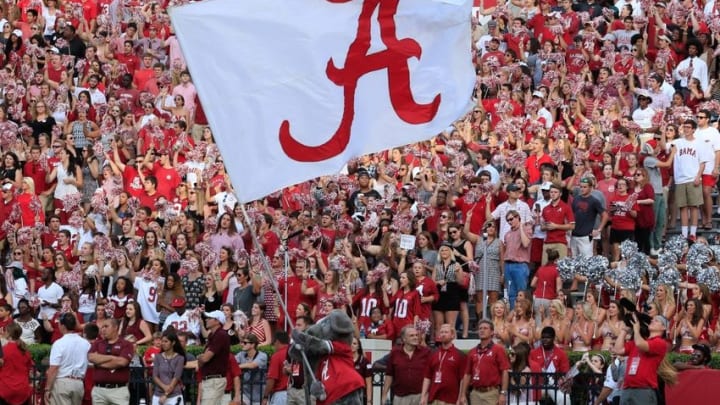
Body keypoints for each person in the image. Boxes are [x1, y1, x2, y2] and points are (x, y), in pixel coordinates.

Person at [612, 314, 677, 405]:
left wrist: (636, 329)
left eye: (656, 320)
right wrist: (624, 330)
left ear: (664, 327)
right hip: (627, 388)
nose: (652, 321)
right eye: (652, 320)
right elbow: (618, 350)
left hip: (644, 390)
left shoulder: (660, 342)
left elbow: (640, 345)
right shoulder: (637, 341)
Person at [459, 319, 510, 405]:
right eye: (480, 328)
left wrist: (503, 393)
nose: (482, 330)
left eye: (485, 328)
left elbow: (504, 371)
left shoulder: (498, 349)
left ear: (492, 332)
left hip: (491, 393)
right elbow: (467, 374)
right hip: (475, 393)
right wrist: (463, 394)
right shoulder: (472, 352)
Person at [46, 312, 91, 405]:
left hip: (62, 382)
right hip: (79, 383)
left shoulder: (59, 343)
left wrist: (47, 388)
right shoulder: (85, 343)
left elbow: (54, 368)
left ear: (62, 326)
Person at [87, 318, 135, 404]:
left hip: (118, 391)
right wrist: (113, 358)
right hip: (99, 390)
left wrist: (99, 362)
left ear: (115, 327)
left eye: (106, 326)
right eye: (102, 327)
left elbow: (122, 362)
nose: (103, 329)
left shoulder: (126, 344)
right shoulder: (97, 343)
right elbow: (90, 357)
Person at [381, 325, 432, 405]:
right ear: (404, 339)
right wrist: (384, 395)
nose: (415, 337)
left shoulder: (426, 352)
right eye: (411, 335)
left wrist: (426, 395)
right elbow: (389, 375)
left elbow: (430, 375)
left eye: (416, 335)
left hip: (420, 397)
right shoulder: (395, 353)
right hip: (400, 398)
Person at [420, 323, 467, 405]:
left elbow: (463, 379)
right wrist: (423, 396)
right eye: (441, 332)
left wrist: (460, 398)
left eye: (446, 332)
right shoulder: (433, 354)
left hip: (451, 400)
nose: (443, 334)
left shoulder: (460, 355)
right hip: (434, 399)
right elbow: (427, 377)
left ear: (452, 335)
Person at [198, 310, 231, 405]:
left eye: (209, 318)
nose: (206, 320)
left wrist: (201, 357)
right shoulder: (213, 336)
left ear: (217, 321)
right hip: (211, 381)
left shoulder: (220, 335)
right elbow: (201, 362)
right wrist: (202, 357)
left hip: (214, 381)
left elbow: (205, 358)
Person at [501, 209, 531, 309]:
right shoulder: (507, 234)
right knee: (511, 294)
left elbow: (526, 243)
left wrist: (521, 226)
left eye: (511, 219)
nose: (510, 222)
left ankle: (523, 314)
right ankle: (514, 315)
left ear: (517, 217)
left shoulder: (526, 229)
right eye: (508, 220)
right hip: (508, 264)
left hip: (520, 265)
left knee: (521, 293)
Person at [152, 330, 186, 405]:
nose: (163, 343)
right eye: (162, 341)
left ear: (173, 343)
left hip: (174, 396)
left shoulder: (180, 358)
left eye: (166, 341)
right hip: (158, 395)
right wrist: (164, 387)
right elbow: (155, 376)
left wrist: (165, 394)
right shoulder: (158, 357)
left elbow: (176, 377)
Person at [237, 333, 268, 405]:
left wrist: (238, 366)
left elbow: (253, 365)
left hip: (259, 395)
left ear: (253, 344)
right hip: (245, 394)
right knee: (237, 401)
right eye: (242, 342)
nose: (242, 344)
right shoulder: (241, 354)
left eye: (245, 343)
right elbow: (232, 364)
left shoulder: (262, 355)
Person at [262, 331, 290, 405]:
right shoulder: (295, 353)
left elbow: (271, 379)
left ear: (277, 341)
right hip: (295, 394)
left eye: (273, 343)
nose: (273, 346)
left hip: (281, 396)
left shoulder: (277, 356)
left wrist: (265, 396)